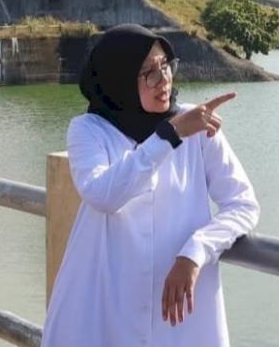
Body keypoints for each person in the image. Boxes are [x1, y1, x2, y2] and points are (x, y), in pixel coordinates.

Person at [42, 24, 259, 347]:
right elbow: (102, 195)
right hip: (105, 302)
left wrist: (196, 251)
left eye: (166, 66)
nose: (164, 80)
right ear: (120, 80)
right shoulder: (89, 130)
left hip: (181, 310)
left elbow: (243, 204)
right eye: (149, 73)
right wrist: (169, 136)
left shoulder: (198, 124)